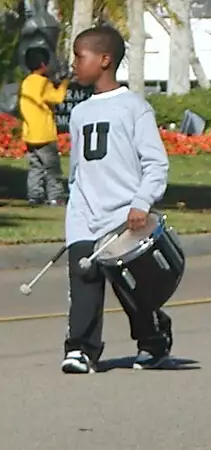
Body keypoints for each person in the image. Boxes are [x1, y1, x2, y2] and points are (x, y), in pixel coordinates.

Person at [61, 26, 172, 374]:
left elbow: (155, 162)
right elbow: (77, 169)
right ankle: (81, 349)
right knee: (84, 279)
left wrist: (142, 202)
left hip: (124, 217)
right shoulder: (79, 113)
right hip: (84, 214)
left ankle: (153, 338)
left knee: (133, 289)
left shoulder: (134, 107)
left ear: (104, 60)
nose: (75, 64)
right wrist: (75, 206)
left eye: (81, 57)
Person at [19, 45, 68, 206]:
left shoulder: (26, 82)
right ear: (43, 64)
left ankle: (34, 195)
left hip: (30, 134)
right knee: (52, 168)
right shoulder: (43, 83)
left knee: (36, 167)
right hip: (45, 134)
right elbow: (57, 97)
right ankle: (55, 196)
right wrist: (64, 83)